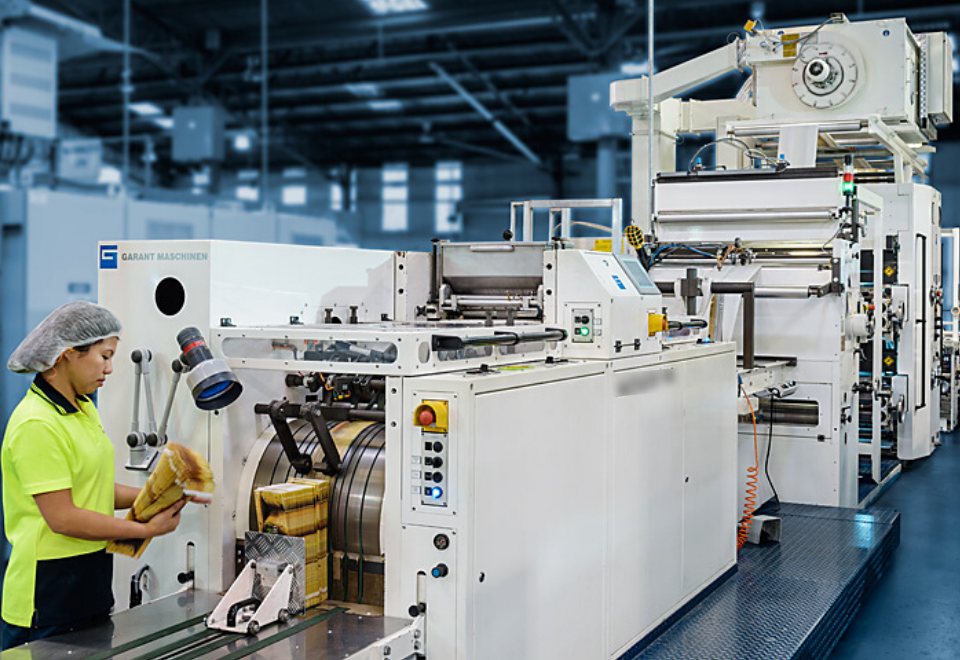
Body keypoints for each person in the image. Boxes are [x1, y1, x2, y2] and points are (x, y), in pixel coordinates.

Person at [1, 301, 187, 649]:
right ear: (67, 354)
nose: (111, 368)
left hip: (90, 579)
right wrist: (145, 530)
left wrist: (155, 493)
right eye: (105, 356)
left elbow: (93, 488)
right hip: (46, 593)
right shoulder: (36, 423)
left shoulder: (83, 408)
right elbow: (63, 517)